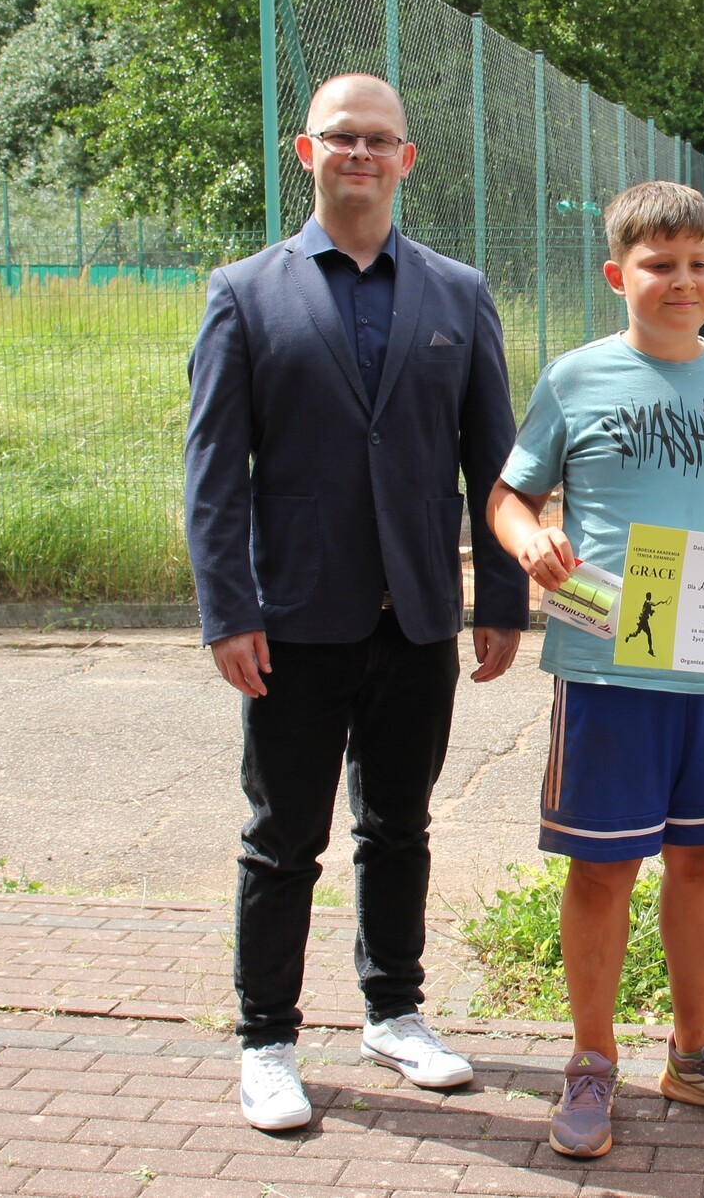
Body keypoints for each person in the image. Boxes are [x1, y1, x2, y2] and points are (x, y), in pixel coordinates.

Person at [184, 73, 527, 1131]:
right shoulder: (245, 293)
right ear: (308, 152)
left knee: (399, 828)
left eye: (380, 140)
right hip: (293, 622)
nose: (362, 155)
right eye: (342, 138)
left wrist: (501, 600)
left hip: (416, 616)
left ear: (407, 158)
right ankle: (267, 1042)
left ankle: (394, 1013)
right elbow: (213, 473)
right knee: (282, 839)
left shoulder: (458, 294)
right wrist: (228, 610)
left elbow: (494, 463)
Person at [486, 180, 704, 1160]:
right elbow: (509, 497)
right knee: (602, 870)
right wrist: (530, 540)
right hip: (608, 666)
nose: (682, 282)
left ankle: (694, 1053)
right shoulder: (576, 378)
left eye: (699, 264)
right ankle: (592, 1060)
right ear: (616, 274)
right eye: (659, 265)